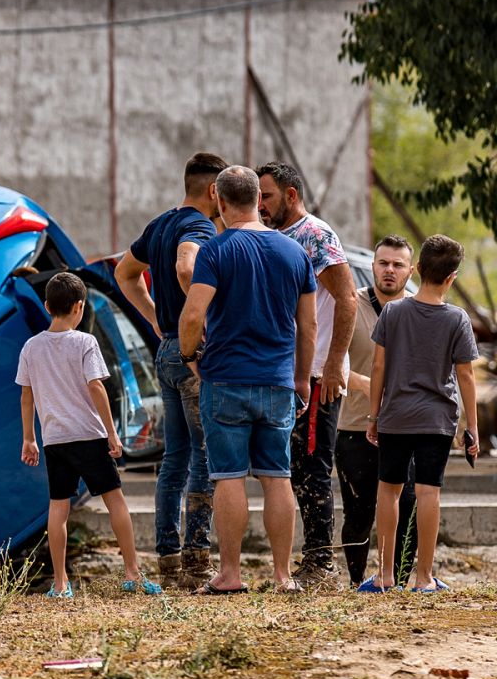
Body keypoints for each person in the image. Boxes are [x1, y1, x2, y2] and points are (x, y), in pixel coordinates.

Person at [179, 166, 316, 594]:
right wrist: (301, 379)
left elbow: (193, 314)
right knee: (278, 476)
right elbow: (308, 326)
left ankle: (230, 574)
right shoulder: (295, 253)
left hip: (225, 379)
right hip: (277, 380)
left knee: (229, 477)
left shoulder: (215, 251)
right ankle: (282, 575)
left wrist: (190, 356)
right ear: (260, 198)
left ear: (217, 197)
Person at [114, 152, 228, 588]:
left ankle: (168, 559)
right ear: (214, 191)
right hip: (192, 352)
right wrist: (193, 321)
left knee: (174, 459)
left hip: (165, 351)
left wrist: (157, 318)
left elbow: (125, 273)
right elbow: (186, 267)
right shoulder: (199, 226)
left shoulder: (160, 223)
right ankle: (198, 563)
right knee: (203, 455)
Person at [18, 272, 161, 598]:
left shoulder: (31, 347)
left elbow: (26, 396)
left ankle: (60, 584)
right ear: (79, 307)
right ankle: (132, 574)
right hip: (88, 434)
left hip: (55, 439)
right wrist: (112, 433)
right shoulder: (85, 342)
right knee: (115, 501)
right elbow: (96, 387)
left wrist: (29, 437)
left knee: (58, 509)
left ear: (46, 306)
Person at [256, 163, 357, 589]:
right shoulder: (275, 237)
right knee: (294, 469)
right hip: (288, 372)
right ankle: (309, 561)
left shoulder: (316, 235)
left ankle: (321, 566)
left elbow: (349, 299)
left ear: (291, 195)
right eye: (258, 196)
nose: (261, 205)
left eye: (268, 196)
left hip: (317, 374)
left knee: (313, 468)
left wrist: (333, 364)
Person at [365, 234, 480, 593]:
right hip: (436, 421)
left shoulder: (394, 311)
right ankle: (424, 577)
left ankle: (384, 576)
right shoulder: (457, 319)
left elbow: (379, 366)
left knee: (389, 491)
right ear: (452, 277)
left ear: (416, 269)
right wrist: (471, 427)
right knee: (429, 493)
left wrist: (373, 416)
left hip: (395, 416)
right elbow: (466, 375)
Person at [336, 236, 418, 588]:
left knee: (409, 509)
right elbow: (333, 367)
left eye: (398, 264)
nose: (390, 270)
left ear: (410, 271)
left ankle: (398, 582)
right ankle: (357, 583)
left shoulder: (420, 309)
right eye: (383, 263)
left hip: (408, 430)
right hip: (355, 425)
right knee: (359, 513)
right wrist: (373, 387)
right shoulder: (350, 305)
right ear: (372, 266)